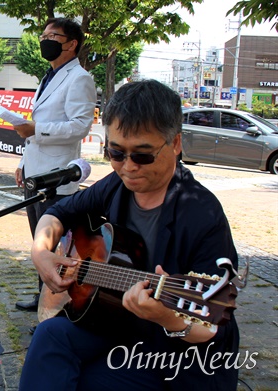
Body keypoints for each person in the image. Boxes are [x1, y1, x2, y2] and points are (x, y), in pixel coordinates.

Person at [18, 80, 240, 390]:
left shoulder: (202, 215)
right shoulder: (116, 185)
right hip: (117, 321)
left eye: (143, 155)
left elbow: (212, 323)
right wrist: (41, 252)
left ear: (175, 144)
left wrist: (166, 317)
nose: (128, 167)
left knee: (90, 382)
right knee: (49, 336)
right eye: (116, 153)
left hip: (178, 355)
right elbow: (59, 213)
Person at [14, 18, 96, 316]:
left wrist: (36, 130)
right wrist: (23, 162)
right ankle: (42, 296)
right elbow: (37, 127)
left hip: (57, 177)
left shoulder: (79, 78)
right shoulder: (49, 76)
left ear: (71, 43)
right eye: (43, 34)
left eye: (53, 35)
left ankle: (56, 308)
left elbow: (79, 126)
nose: (45, 40)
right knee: (39, 242)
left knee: (56, 248)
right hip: (35, 173)